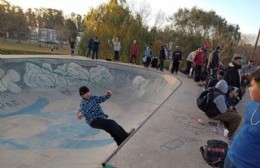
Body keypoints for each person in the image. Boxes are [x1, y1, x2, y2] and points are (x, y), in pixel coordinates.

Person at [224, 68, 260, 168]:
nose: (249, 89)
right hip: (231, 156)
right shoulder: (253, 105)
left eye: (252, 86)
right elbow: (246, 129)